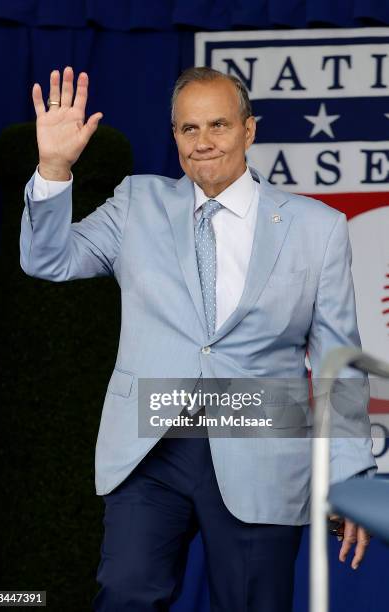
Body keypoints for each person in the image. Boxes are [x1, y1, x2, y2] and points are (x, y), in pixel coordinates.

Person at [21, 65, 377, 611]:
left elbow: (338, 363)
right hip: (152, 443)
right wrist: (53, 167)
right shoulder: (137, 204)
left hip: (261, 443)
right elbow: (48, 259)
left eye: (218, 125)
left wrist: (350, 478)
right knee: (125, 594)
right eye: (189, 129)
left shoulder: (316, 227)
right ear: (175, 138)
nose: (204, 142)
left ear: (249, 130)